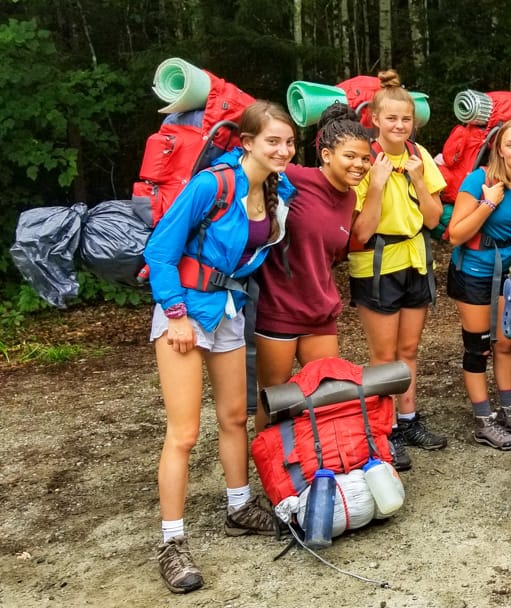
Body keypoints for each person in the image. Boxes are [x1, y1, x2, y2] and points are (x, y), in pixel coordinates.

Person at [143, 100, 297, 593]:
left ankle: (239, 506)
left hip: (227, 308)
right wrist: (175, 313)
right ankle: (171, 543)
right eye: (272, 141)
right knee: (184, 433)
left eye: (289, 142)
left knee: (234, 415)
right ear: (247, 143)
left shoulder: (276, 190)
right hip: (183, 310)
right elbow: (160, 249)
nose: (283, 149)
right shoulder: (214, 183)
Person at [349, 69, 447, 471]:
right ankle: (381, 429)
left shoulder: (419, 156)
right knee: (383, 355)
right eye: (391, 118)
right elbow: (360, 232)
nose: (399, 125)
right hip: (376, 263)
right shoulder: (362, 158)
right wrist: (376, 184)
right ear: (374, 118)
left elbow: (433, 218)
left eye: (405, 119)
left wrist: (419, 181)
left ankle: (407, 420)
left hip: (414, 259)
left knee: (408, 351)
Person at [253, 102, 371, 431]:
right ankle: (267, 464)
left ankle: (317, 467)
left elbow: (330, 255)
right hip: (278, 307)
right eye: (350, 156)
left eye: (365, 158)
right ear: (327, 155)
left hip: (320, 311)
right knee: (275, 398)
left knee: (327, 395)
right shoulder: (293, 177)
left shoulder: (349, 197)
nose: (359, 165)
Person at [446, 119, 511, 449]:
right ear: (499, 150)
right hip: (474, 272)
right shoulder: (480, 180)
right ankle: (483, 419)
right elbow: (456, 234)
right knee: (479, 346)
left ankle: (509, 408)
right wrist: (488, 202)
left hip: (508, 274)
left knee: (506, 344)